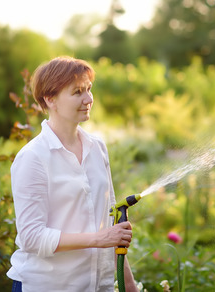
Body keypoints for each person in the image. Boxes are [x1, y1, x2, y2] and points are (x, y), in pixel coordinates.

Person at [7, 56, 138, 292]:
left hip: (98, 286)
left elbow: (109, 224)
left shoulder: (97, 148)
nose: (88, 99)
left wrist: (129, 285)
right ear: (50, 99)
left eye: (89, 89)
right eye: (77, 92)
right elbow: (31, 237)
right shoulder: (33, 158)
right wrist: (98, 239)